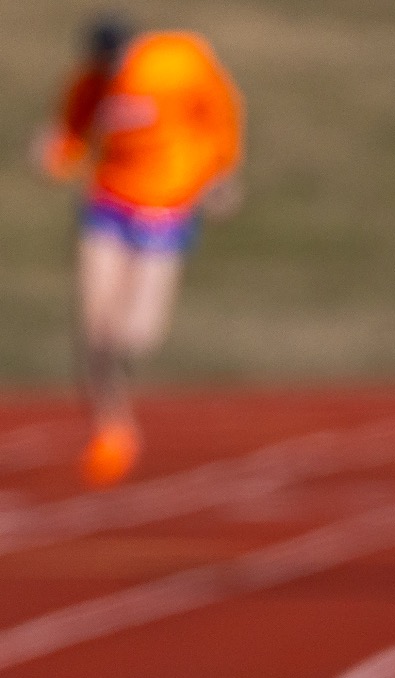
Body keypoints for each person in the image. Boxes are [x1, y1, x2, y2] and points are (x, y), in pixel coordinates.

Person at [34, 16, 243, 487]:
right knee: (95, 326)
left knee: (137, 333)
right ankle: (112, 429)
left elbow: (219, 110)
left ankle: (119, 384)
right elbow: (71, 137)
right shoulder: (90, 81)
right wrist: (52, 154)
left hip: (165, 207)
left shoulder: (176, 63)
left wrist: (221, 171)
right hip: (108, 203)